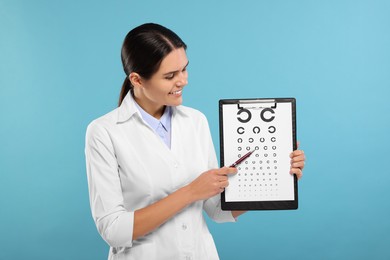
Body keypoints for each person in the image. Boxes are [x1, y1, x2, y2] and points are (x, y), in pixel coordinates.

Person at [85, 23, 305, 260]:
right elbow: (114, 230)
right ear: (137, 80)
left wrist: (277, 175)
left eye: (184, 69)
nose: (183, 81)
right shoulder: (104, 132)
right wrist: (190, 192)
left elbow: (217, 210)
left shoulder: (195, 121)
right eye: (170, 76)